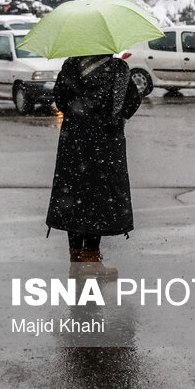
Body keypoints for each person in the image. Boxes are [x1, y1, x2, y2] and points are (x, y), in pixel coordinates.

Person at [47, 54, 142, 280]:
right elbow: (133, 100)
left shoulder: (71, 67)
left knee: (75, 196)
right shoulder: (118, 69)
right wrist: (116, 115)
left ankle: (76, 261)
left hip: (75, 141)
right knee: (97, 198)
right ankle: (90, 260)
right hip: (105, 142)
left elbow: (60, 99)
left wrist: (79, 111)